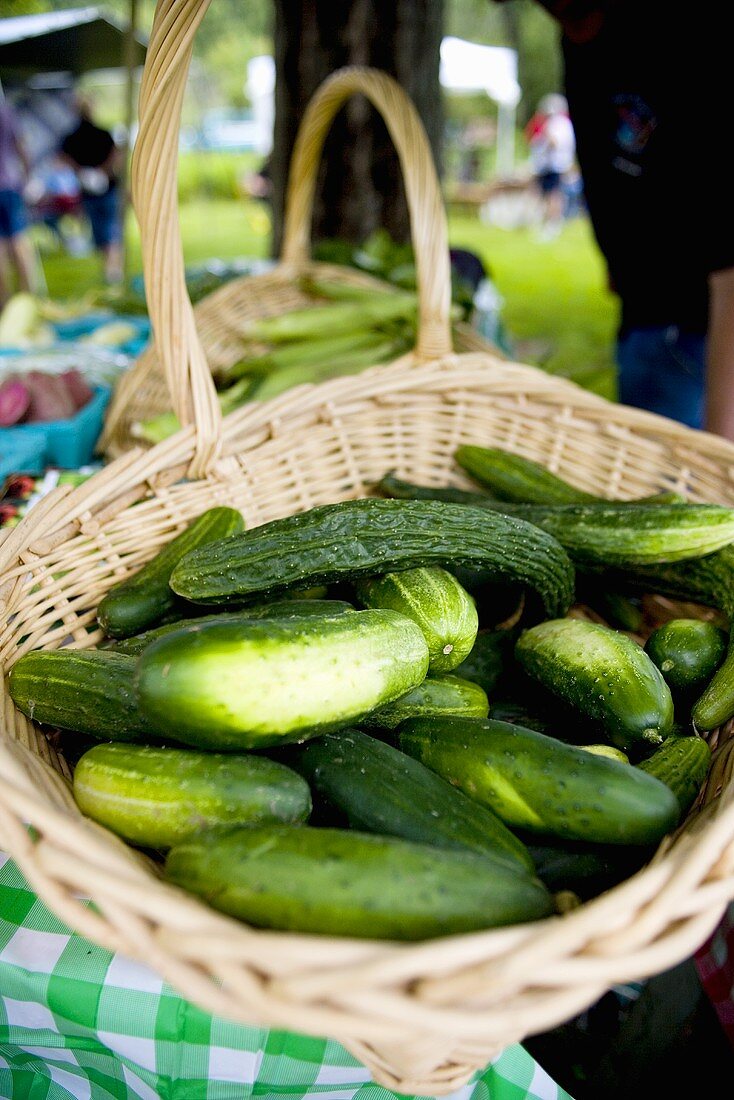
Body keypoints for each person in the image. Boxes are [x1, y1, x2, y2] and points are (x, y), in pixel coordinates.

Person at [498, 0, 734, 438]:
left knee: (696, 492)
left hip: (700, 330)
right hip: (643, 316)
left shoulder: (692, 36)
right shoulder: (580, 36)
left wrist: (724, 447)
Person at [60, 96, 123, 284]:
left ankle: (110, 268)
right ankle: (112, 268)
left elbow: (63, 157)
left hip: (94, 191)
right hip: (105, 189)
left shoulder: (73, 137)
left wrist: (84, 172)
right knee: (110, 229)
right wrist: (102, 171)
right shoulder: (102, 133)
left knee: (103, 230)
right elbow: (116, 155)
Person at [0, 96, 38, 307]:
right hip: (10, 185)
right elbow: (22, 148)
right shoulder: (7, 111)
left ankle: (4, 301)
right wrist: (27, 177)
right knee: (19, 239)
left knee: (2, 245)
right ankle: (27, 295)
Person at [526, 93, 576, 239]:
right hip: (548, 165)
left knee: (553, 195)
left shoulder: (559, 123)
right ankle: (544, 222)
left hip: (555, 165)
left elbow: (555, 143)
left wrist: (545, 139)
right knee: (545, 193)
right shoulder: (559, 122)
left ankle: (553, 224)